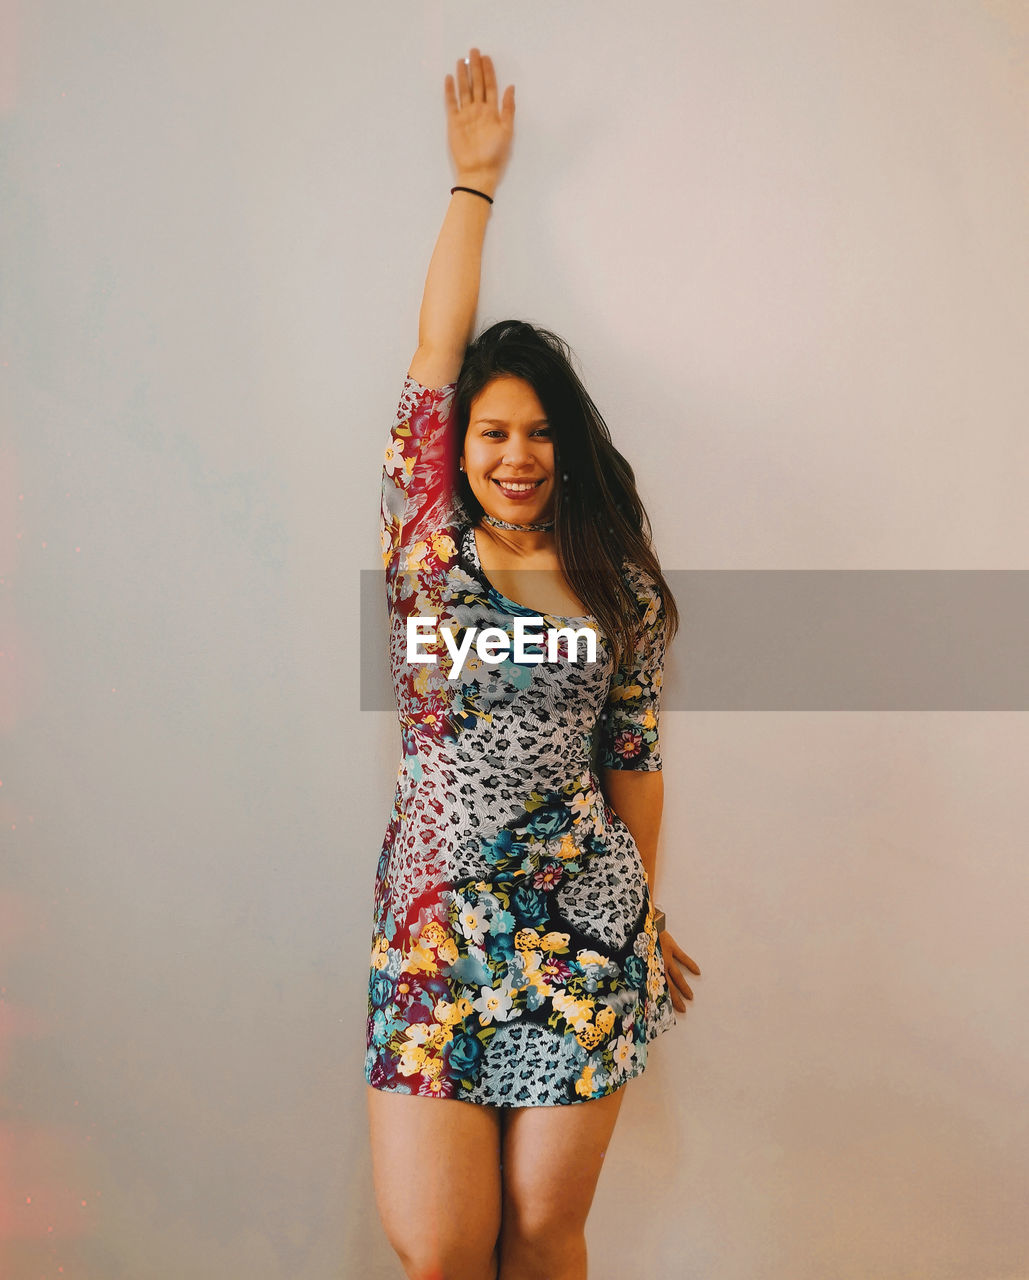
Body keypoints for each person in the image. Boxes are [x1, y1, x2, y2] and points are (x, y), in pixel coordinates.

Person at [365, 47, 701, 1280]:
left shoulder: (615, 592)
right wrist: (475, 186)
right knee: (444, 1246)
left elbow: (636, 765)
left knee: (546, 1229)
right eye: (495, 432)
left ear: (567, 450)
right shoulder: (423, 545)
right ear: (458, 448)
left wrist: (646, 905)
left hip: (583, 932)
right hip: (435, 934)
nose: (516, 453)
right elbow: (435, 349)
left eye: (540, 433)